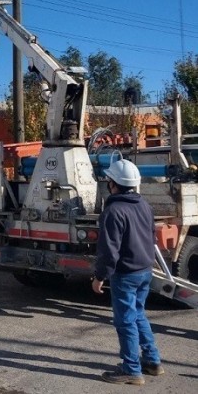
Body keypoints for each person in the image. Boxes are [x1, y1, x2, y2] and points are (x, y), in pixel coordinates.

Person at [92, 158, 163, 385]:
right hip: (145, 269)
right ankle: (152, 361)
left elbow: (109, 250)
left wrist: (100, 276)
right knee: (138, 314)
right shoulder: (144, 205)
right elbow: (151, 236)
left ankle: (131, 370)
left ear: (113, 184)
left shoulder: (113, 211)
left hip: (126, 273)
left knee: (125, 321)